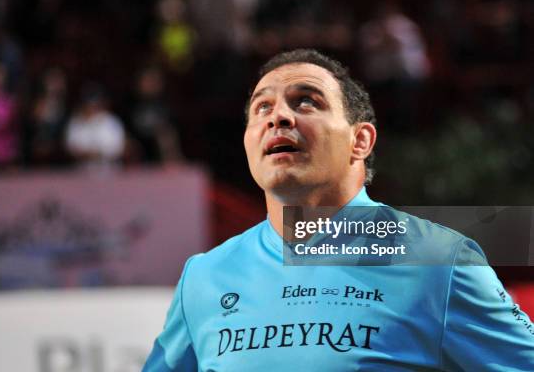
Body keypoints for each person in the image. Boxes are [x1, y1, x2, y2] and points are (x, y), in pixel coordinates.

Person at [143, 49, 534, 371]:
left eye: (306, 102)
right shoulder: (204, 276)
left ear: (360, 141)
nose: (278, 117)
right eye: (261, 108)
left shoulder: (441, 262)